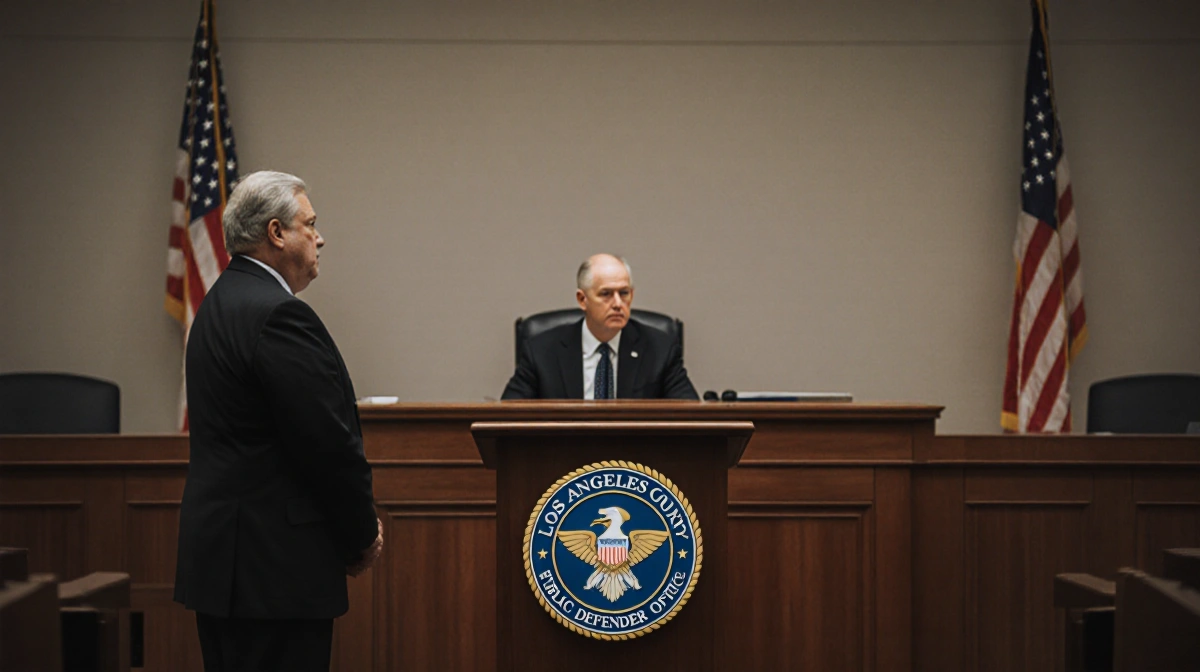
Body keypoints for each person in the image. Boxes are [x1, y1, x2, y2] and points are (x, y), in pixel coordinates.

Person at [174, 171, 382, 671]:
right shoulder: (279, 315)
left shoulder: (218, 305)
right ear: (276, 233)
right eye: (310, 224)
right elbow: (326, 444)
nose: (320, 236)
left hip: (225, 568)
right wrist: (359, 536)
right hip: (275, 572)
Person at [501, 253, 699, 400]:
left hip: (633, 455)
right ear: (582, 299)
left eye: (624, 293)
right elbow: (508, 418)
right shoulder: (541, 350)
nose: (617, 303)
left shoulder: (660, 348)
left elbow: (689, 415)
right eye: (606, 294)